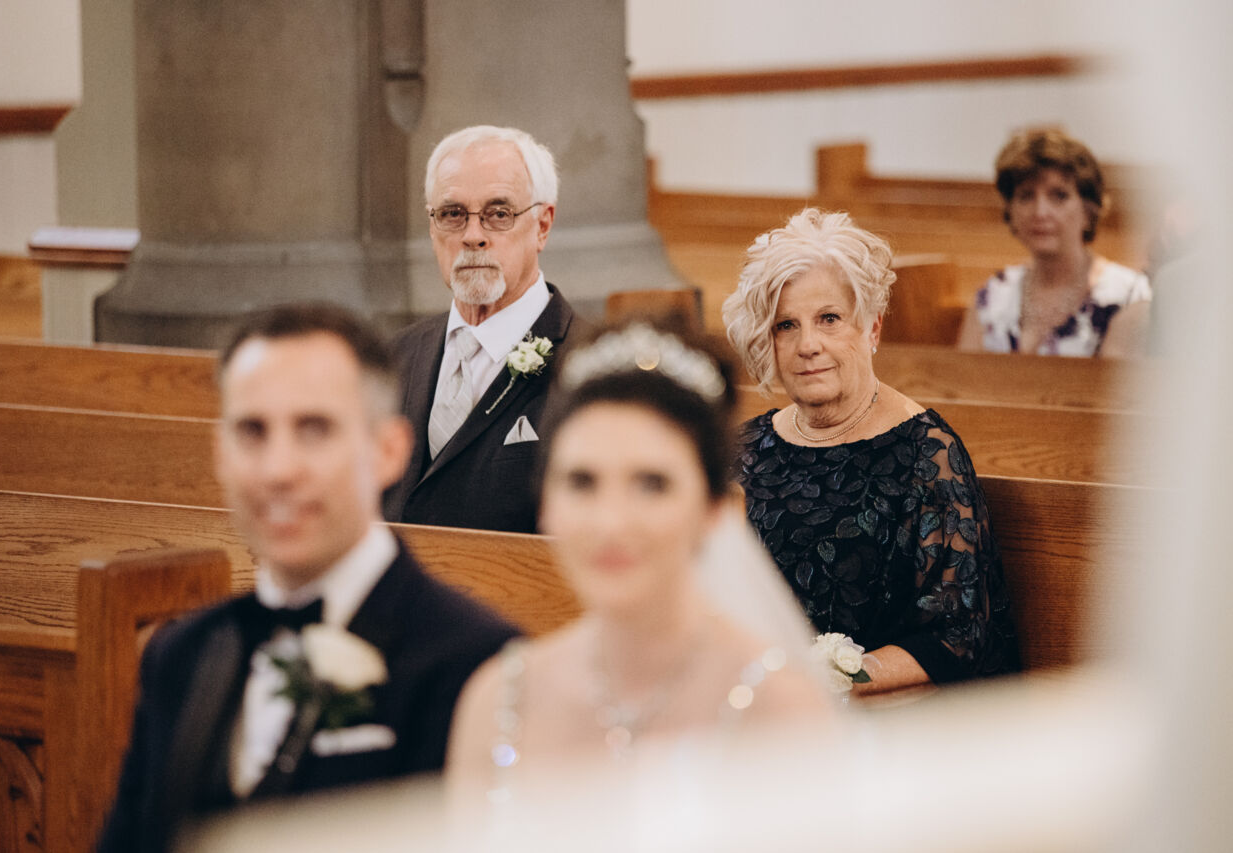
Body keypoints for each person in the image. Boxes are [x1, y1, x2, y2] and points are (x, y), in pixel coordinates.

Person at [98, 304, 519, 852]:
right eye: (252, 432)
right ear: (220, 454)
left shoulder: (476, 666)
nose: (278, 470)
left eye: (314, 429)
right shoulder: (180, 655)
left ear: (388, 451)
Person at [447, 320, 836, 798]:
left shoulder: (784, 715)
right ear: (544, 502)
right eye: (582, 482)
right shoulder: (498, 701)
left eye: (652, 484)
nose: (611, 523)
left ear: (713, 509)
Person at [724, 207, 1020, 696]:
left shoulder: (927, 455)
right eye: (785, 325)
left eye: (829, 319)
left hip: (886, 714)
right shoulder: (745, 450)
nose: (807, 345)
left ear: (872, 329)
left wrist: (828, 682)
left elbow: (957, 636)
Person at [383, 125, 588, 534]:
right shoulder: (394, 358)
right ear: (432, 226)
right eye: (452, 214)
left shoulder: (588, 366)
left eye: (499, 214)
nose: (473, 236)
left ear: (542, 226)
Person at [957, 128, 1152, 357]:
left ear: (1089, 210)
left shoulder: (1129, 295)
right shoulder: (992, 295)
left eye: (1059, 196)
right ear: (1011, 211)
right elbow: (959, 377)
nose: (1040, 212)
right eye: (1026, 196)